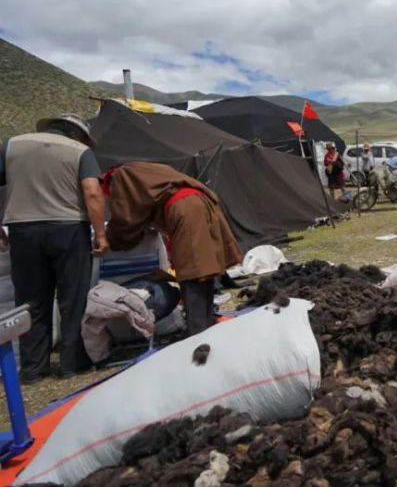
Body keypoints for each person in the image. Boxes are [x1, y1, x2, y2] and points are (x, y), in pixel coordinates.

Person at [0, 113, 108, 383]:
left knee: (31, 300)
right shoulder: (80, 151)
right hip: (69, 228)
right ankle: (72, 364)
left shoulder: (12, 145)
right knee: (73, 298)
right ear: (77, 135)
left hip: (23, 229)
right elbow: (92, 192)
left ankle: (33, 369)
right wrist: (101, 233)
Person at [103, 162, 244, 337]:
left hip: (185, 208)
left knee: (193, 273)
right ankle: (205, 324)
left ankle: (198, 332)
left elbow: (126, 216)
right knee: (203, 271)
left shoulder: (118, 178)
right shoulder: (142, 171)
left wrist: (109, 238)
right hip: (197, 202)